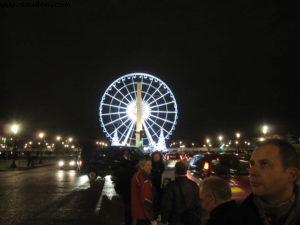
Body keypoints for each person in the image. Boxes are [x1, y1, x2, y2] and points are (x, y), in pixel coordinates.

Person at [240, 138, 300, 225]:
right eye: (252, 164)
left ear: (292, 175)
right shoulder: (235, 217)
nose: (251, 172)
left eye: (264, 164)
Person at [161, 161, 201, 225]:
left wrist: (164, 220)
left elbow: (167, 205)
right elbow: (198, 203)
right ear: (186, 170)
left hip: (175, 220)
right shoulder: (194, 185)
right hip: (191, 219)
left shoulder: (171, 186)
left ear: (175, 171)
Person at [131, 157, 157, 225]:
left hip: (139, 213)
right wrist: (151, 218)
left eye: (151, 165)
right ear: (142, 166)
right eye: (148, 165)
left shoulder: (137, 175)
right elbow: (146, 200)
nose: (150, 167)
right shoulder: (143, 178)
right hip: (143, 215)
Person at [114, 149, 137, 225]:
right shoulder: (133, 167)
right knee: (130, 209)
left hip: (126, 191)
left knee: (127, 209)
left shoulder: (121, 168)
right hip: (129, 191)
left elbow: (118, 182)